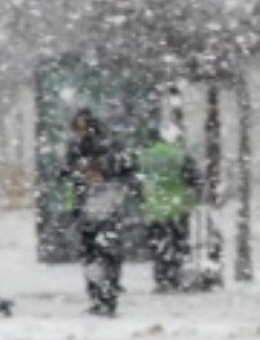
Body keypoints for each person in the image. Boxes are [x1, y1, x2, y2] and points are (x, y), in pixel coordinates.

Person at [64, 109, 135, 316]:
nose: (80, 132)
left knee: (103, 253)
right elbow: (66, 173)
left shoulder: (106, 149)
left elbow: (126, 173)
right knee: (94, 254)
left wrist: (103, 178)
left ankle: (106, 296)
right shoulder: (80, 148)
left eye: (83, 127)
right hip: (91, 207)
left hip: (104, 206)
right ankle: (100, 295)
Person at [137, 129, 197, 292]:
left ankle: (161, 278)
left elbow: (139, 178)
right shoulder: (180, 154)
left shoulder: (148, 156)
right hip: (178, 207)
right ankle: (175, 276)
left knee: (159, 245)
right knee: (178, 243)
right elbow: (193, 178)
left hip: (155, 207)